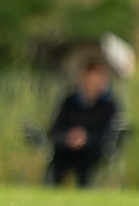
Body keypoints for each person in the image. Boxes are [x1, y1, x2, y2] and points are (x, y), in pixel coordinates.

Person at [45, 58, 118, 188]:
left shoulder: (108, 106)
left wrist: (86, 138)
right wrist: (69, 137)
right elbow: (56, 129)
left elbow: (107, 134)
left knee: (87, 158)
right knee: (58, 155)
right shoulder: (70, 102)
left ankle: (84, 190)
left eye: (96, 80)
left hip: (93, 149)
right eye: (90, 80)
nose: (93, 84)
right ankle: (54, 190)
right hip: (67, 147)